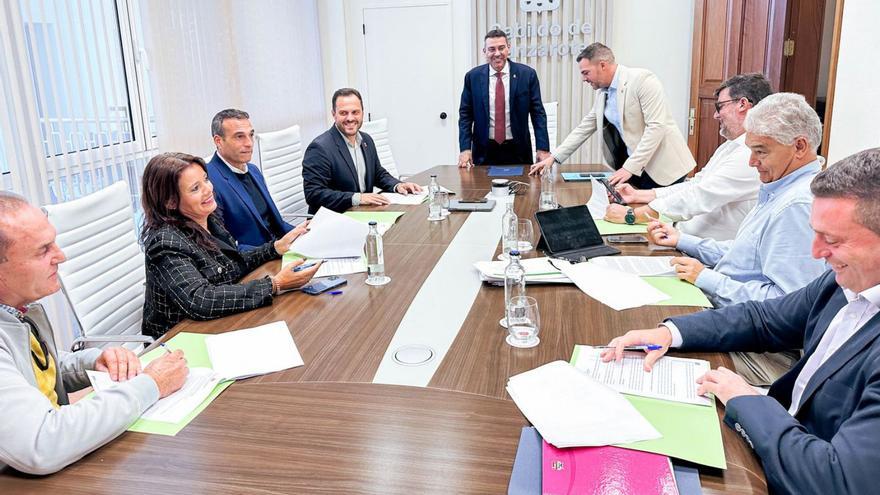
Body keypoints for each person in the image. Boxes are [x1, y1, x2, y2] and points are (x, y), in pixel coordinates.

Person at [602, 148, 880, 495]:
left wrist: (747, 401)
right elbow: (765, 319)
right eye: (816, 233)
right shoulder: (846, 281)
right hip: (779, 437)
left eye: (833, 240)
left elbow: (835, 481)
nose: (816, 253)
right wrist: (669, 332)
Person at [0, 191, 188, 474]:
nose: (60, 256)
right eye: (43, 250)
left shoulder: (18, 309)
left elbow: (28, 369)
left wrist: (91, 362)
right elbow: (42, 442)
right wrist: (153, 384)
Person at [646, 93, 828, 385]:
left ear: (799, 147)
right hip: (734, 319)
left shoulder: (797, 206)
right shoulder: (780, 186)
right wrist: (685, 240)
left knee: (652, 362)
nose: (752, 162)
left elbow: (785, 308)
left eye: (761, 151)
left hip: (763, 351)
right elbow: (747, 253)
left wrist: (707, 278)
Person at [141, 153, 321, 338]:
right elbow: (200, 299)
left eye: (205, 180)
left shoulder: (208, 219)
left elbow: (232, 262)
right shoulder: (165, 243)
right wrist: (274, 284)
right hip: (181, 339)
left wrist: (275, 247)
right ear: (170, 201)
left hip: (219, 322)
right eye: (195, 188)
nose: (208, 190)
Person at [603, 74, 769, 241]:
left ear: (742, 104)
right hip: (682, 235)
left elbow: (699, 196)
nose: (716, 115)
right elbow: (695, 185)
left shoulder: (749, 155)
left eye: (720, 107)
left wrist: (631, 215)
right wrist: (639, 196)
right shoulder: (730, 146)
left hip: (704, 252)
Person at [530, 43, 694, 189]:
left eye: (586, 73)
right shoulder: (603, 93)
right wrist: (554, 158)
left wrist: (629, 167)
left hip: (664, 169)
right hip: (635, 169)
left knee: (662, 220)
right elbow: (584, 128)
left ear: (602, 65)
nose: (583, 79)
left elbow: (657, 127)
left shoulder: (642, 80)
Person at [302, 88, 422, 214]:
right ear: (334, 114)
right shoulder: (320, 148)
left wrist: (397, 185)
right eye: (343, 113)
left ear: (362, 113)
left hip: (364, 213)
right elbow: (313, 194)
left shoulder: (366, 140)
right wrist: (357, 198)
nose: (350, 118)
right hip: (335, 218)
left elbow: (378, 174)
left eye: (355, 112)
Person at [457, 29, 550, 167]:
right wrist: (465, 149)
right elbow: (465, 115)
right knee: (481, 188)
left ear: (508, 48)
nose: (497, 53)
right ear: (485, 52)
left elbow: (538, 114)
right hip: (484, 151)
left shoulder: (527, 75)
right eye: (491, 49)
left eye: (501, 48)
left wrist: (543, 148)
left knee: (522, 187)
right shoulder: (473, 77)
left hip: (518, 150)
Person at [206, 109, 294, 251]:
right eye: (239, 137)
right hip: (258, 262)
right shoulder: (209, 182)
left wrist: (306, 233)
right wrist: (274, 250)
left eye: (251, 135)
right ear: (218, 141)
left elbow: (276, 224)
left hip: (281, 249)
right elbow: (225, 249)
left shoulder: (253, 170)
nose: (249, 143)